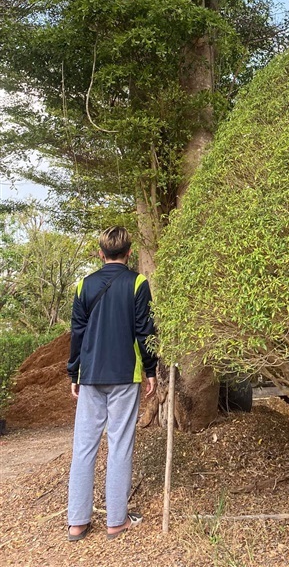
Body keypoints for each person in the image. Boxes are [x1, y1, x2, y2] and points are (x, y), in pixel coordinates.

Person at [66, 226, 157, 541]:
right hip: (124, 375)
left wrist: (73, 373)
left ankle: (77, 522)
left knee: (84, 446)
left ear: (100, 253)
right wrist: (151, 370)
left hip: (90, 375)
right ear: (129, 253)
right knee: (120, 445)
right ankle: (115, 521)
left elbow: (77, 333)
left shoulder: (83, 286)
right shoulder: (137, 283)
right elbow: (144, 331)